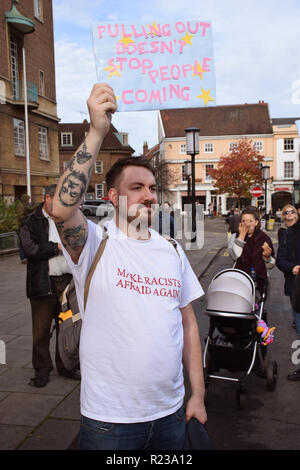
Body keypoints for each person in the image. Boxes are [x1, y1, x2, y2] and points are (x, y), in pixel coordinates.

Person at [50, 83, 207, 451]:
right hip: (110, 421)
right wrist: (97, 130)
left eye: (152, 188)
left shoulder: (171, 249)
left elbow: (188, 323)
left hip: (171, 414)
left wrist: (197, 394)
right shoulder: (93, 242)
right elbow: (60, 208)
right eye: (137, 187)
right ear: (113, 197)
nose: (149, 196)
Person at [19, 185, 81, 387]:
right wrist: (57, 246)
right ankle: (42, 370)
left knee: (68, 328)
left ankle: (67, 366)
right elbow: (32, 251)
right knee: (41, 330)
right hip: (43, 284)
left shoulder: (68, 219)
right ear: (47, 198)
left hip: (67, 285)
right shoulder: (31, 221)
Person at [228, 207, 275, 296]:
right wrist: (242, 235)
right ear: (240, 223)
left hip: (259, 281)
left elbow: (271, 265)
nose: (247, 224)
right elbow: (234, 256)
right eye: (244, 221)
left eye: (250, 221)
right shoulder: (235, 236)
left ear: (256, 222)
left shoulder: (265, 238)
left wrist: (267, 258)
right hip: (240, 280)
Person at [276, 211, 300, 380]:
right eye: (287, 212)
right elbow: (280, 259)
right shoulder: (287, 234)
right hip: (297, 287)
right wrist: (293, 268)